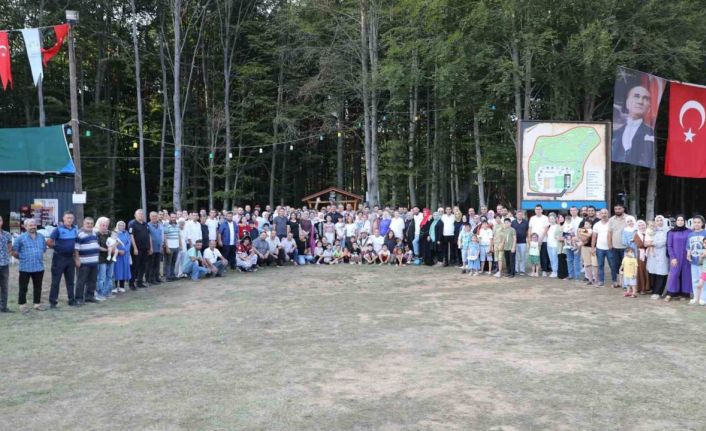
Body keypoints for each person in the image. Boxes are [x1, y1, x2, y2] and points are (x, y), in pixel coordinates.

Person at [612, 84, 655, 167]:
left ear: (649, 107)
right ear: (627, 103)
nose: (640, 102)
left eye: (645, 98)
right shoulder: (615, 133)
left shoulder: (651, 133)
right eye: (636, 96)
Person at [12, 219, 47, 313]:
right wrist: (23, 258)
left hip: (39, 266)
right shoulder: (20, 238)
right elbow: (14, 251)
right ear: (25, 226)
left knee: (38, 287)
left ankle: (37, 304)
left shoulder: (41, 237)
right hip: (25, 267)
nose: (33, 227)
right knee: (23, 287)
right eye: (30, 225)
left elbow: (44, 249)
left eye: (34, 225)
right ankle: (22, 305)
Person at [47, 211, 78, 308]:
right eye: (67, 218)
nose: (69, 220)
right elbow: (49, 242)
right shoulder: (58, 229)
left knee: (70, 281)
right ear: (63, 218)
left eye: (71, 218)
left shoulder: (75, 229)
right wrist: (58, 248)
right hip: (59, 258)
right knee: (56, 281)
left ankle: (71, 300)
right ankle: (53, 302)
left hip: (70, 258)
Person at [75, 217, 102, 304]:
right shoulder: (79, 234)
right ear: (83, 224)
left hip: (94, 261)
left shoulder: (94, 233)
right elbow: (76, 249)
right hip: (84, 262)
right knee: (81, 281)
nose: (89, 225)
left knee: (92, 280)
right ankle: (79, 298)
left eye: (91, 223)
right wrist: (77, 260)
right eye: (87, 223)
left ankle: (89, 297)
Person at [665, 215, 692, 301]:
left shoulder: (689, 231)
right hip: (675, 256)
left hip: (686, 257)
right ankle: (671, 293)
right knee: (674, 274)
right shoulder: (671, 232)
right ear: (676, 221)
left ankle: (685, 293)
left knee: (686, 274)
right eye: (678, 220)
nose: (680, 222)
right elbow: (669, 246)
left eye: (682, 220)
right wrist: (672, 257)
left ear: (684, 221)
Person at [646, 215, 670, 299]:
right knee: (654, 272)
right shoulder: (652, 230)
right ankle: (654, 290)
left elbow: (664, 242)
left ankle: (659, 292)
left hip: (662, 253)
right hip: (653, 254)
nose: (659, 222)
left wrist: (653, 244)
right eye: (657, 220)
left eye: (661, 220)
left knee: (661, 272)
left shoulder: (667, 231)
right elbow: (647, 240)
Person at [128, 209, 152, 289]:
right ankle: (131, 284)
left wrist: (150, 247)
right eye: (139, 214)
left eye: (142, 214)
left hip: (145, 248)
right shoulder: (132, 224)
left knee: (143, 266)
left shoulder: (146, 224)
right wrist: (135, 248)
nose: (141, 215)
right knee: (135, 266)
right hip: (137, 249)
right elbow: (131, 236)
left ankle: (140, 282)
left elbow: (149, 236)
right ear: (135, 215)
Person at [608, 204, 629, 288]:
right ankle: (614, 281)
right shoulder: (611, 220)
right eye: (615, 209)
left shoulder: (629, 218)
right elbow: (609, 233)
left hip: (626, 247)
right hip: (614, 246)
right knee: (614, 265)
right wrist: (609, 244)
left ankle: (625, 283)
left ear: (623, 209)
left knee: (626, 265)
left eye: (619, 209)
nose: (617, 210)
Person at [687, 215, 706, 304]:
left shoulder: (705, 233)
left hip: (703, 261)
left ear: (702, 223)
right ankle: (696, 297)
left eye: (699, 222)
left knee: (703, 280)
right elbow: (688, 247)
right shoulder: (690, 234)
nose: (696, 224)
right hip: (693, 261)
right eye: (695, 222)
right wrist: (688, 254)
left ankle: (703, 298)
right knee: (695, 279)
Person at [592, 209, 613, 287]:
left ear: (608, 214)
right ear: (600, 215)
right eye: (602, 213)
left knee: (612, 266)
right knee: (600, 265)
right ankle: (601, 281)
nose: (604, 215)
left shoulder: (611, 224)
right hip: (599, 248)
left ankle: (614, 281)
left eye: (605, 213)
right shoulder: (596, 225)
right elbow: (594, 237)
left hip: (610, 249)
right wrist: (592, 248)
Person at [95, 217, 115, 300]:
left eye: (106, 225)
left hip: (110, 259)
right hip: (101, 259)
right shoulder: (96, 234)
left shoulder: (110, 233)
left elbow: (116, 241)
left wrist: (113, 247)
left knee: (110, 276)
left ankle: (107, 292)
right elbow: (97, 246)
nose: (105, 227)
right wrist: (107, 250)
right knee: (101, 277)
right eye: (103, 225)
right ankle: (100, 293)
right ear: (99, 225)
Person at [528, 205, 550, 276]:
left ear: (542, 210)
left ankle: (544, 270)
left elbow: (546, 229)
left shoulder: (545, 218)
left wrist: (541, 239)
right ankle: (534, 271)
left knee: (543, 255)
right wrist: (529, 239)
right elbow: (530, 229)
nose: (537, 210)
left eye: (539, 209)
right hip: (533, 242)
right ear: (534, 210)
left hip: (543, 240)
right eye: (536, 209)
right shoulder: (532, 218)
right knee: (534, 255)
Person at [632, 220, 651, 295]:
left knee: (649, 270)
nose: (641, 227)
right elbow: (640, 245)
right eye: (639, 225)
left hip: (649, 253)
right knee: (642, 270)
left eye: (642, 225)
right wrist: (649, 244)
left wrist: (649, 244)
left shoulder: (648, 233)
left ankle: (649, 287)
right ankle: (642, 288)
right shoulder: (636, 234)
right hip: (641, 255)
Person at [113, 221, 132, 293]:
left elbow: (129, 243)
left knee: (124, 270)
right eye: (120, 225)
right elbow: (111, 243)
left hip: (125, 254)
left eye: (123, 225)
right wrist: (118, 251)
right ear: (117, 225)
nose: (122, 226)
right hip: (117, 254)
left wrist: (125, 250)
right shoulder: (114, 233)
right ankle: (114, 286)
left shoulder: (126, 233)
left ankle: (121, 286)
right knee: (116, 270)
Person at [147, 211, 165, 285]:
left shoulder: (159, 225)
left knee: (157, 264)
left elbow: (161, 236)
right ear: (150, 217)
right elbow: (148, 237)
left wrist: (161, 246)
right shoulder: (148, 225)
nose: (154, 217)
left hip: (158, 248)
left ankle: (156, 277)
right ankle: (150, 279)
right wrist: (150, 248)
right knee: (151, 264)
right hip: (151, 248)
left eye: (155, 216)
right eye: (153, 216)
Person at [164, 213, 181, 281]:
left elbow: (178, 236)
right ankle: (168, 277)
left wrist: (180, 245)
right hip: (170, 247)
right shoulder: (167, 225)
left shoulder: (177, 226)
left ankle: (172, 275)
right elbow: (165, 237)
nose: (173, 219)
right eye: (172, 217)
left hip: (176, 247)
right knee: (168, 262)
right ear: (170, 218)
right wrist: (167, 247)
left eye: (174, 217)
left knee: (173, 262)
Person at [578, 221, 596, 285]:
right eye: (585, 224)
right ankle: (590, 279)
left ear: (590, 225)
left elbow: (586, 236)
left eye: (587, 224)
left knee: (594, 264)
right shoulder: (584, 230)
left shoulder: (591, 230)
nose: (585, 225)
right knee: (587, 264)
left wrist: (581, 234)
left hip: (591, 248)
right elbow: (580, 236)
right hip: (584, 247)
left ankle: (595, 279)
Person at [0, 216, 12, 313]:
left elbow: (9, 248)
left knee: (4, 286)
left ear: (2, 222)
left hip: (4, 264)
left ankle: (3, 307)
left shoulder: (7, 234)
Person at [512, 210, 529, 275]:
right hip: (515, 242)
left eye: (521, 214)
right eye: (518, 214)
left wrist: (527, 239)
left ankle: (522, 270)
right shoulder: (513, 222)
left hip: (523, 242)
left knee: (522, 257)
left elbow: (528, 231)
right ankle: (516, 270)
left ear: (522, 215)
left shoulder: (526, 222)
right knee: (515, 257)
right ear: (516, 215)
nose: (519, 216)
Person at [692, 237, 706, 306]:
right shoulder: (702, 251)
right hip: (704, 272)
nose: (705, 244)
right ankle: (697, 300)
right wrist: (701, 257)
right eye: (705, 243)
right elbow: (700, 263)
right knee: (699, 285)